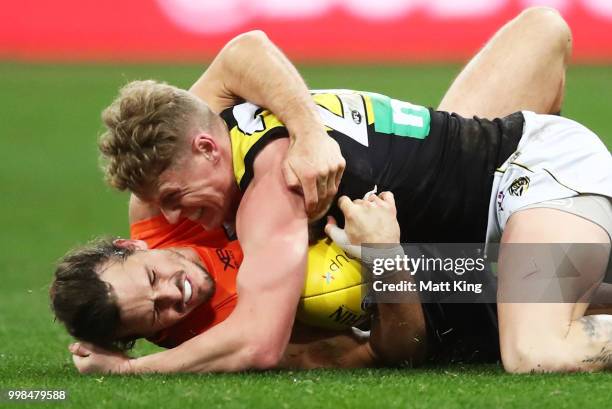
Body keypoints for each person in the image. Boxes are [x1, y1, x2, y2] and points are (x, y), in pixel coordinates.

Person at [63, 7, 607, 373]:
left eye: (176, 195)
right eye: (154, 313)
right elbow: (378, 349)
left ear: (207, 147)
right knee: (539, 30)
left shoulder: (273, 184)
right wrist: (384, 256)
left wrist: (129, 371)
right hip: (467, 239)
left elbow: (259, 341)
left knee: (535, 352)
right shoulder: (185, 170)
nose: (173, 212)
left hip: (532, 173)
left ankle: (567, 238)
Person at [53, 191, 428, 372]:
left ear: (131, 244)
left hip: (396, 188)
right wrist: (385, 256)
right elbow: (390, 351)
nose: (173, 292)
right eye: (156, 313)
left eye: (153, 276)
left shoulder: (163, 203)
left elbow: (240, 58)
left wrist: (305, 134)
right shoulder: (229, 341)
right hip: (441, 279)